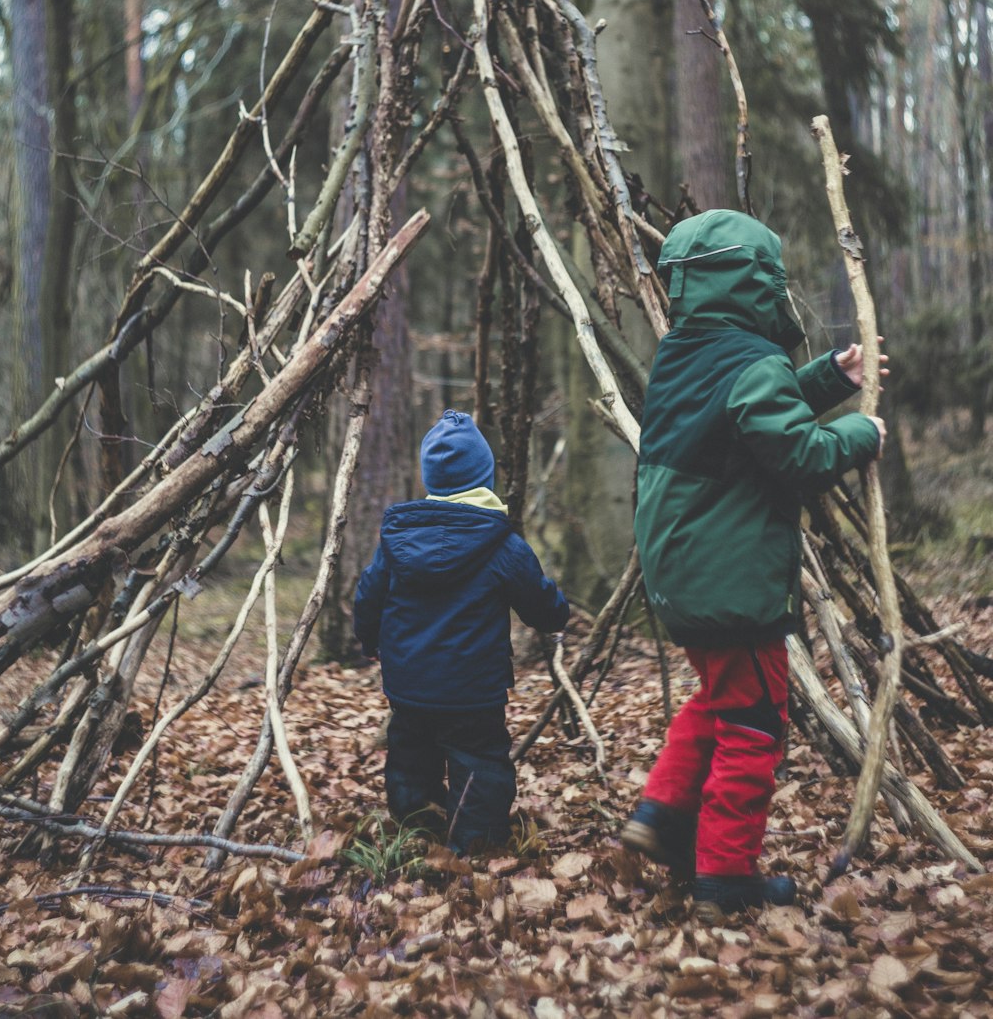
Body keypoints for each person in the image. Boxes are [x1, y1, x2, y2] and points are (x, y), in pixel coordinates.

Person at [621, 210, 886, 918]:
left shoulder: (684, 354)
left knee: (719, 697)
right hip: (729, 579)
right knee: (756, 723)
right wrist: (862, 431)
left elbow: (752, 412)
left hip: (681, 574)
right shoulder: (751, 362)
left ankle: (663, 813)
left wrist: (831, 376)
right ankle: (725, 876)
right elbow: (798, 453)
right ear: (756, 282)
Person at [354, 409, 569, 852]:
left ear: (431, 477)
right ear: (484, 477)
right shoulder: (502, 544)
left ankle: (415, 831)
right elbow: (540, 601)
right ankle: (475, 845)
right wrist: (556, 615)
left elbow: (368, 596)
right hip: (474, 689)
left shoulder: (398, 541)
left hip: (409, 683)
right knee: (479, 762)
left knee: (411, 757)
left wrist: (369, 640)